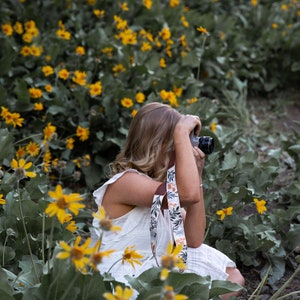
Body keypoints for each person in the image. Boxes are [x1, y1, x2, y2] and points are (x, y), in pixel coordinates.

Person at [91, 102, 244, 299]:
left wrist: (197, 172)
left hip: (154, 268)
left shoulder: (161, 189)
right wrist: (181, 132)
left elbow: (193, 240)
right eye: (178, 146)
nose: (184, 152)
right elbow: (187, 195)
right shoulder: (127, 182)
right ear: (158, 146)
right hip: (123, 277)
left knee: (231, 277)